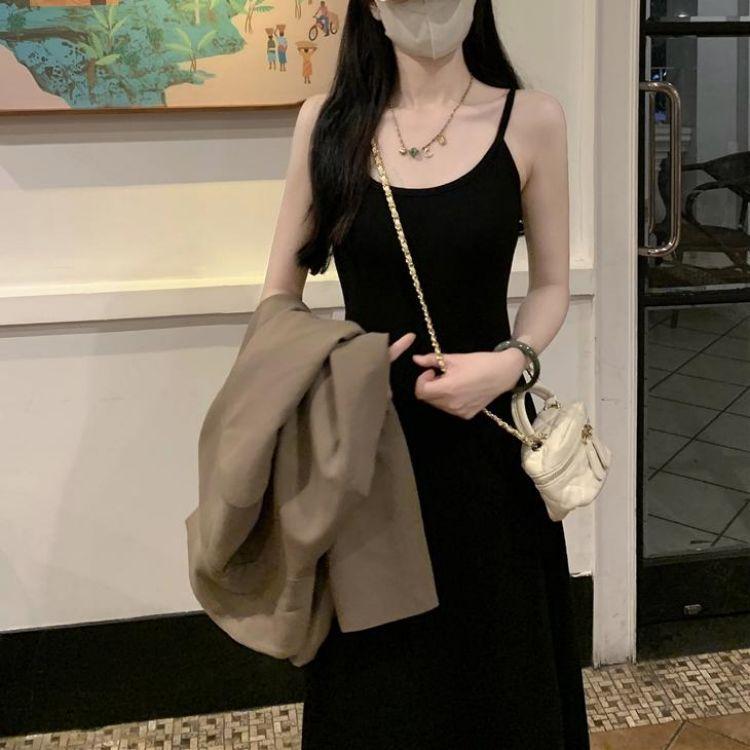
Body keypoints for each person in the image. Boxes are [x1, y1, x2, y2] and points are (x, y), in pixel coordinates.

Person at [259, 0, 588, 746]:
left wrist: (509, 364)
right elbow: (279, 296)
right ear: (374, 7)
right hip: (369, 453)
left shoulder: (531, 119)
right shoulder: (328, 124)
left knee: (501, 676)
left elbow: (550, 285)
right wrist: (340, 366)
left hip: (488, 448)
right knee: (380, 690)